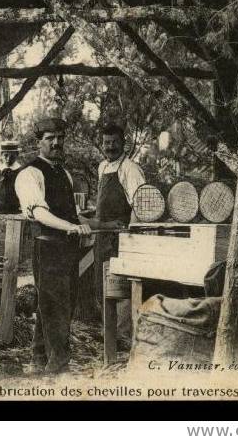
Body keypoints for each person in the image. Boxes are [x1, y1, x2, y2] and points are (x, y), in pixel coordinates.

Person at [14, 117, 94, 374]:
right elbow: (39, 212)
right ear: (39, 142)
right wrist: (71, 227)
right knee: (55, 306)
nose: (57, 143)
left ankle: (39, 359)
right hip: (47, 247)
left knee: (57, 304)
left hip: (68, 248)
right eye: (50, 138)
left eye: (60, 137)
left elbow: (72, 214)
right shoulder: (30, 173)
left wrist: (93, 222)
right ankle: (59, 367)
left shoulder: (65, 174)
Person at [89, 123, 146, 344]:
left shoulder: (130, 169)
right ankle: (109, 334)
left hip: (122, 236)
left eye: (114, 142)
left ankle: (123, 337)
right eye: (106, 143)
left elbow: (141, 205)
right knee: (103, 284)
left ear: (123, 143)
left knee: (121, 287)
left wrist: (131, 237)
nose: (110, 147)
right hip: (102, 235)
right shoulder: (103, 166)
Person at [0, 140, 23, 215]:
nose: (8, 159)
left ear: (17, 154)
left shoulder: (22, 172)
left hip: (16, 212)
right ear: (1, 155)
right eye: (6, 155)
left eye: (12, 156)